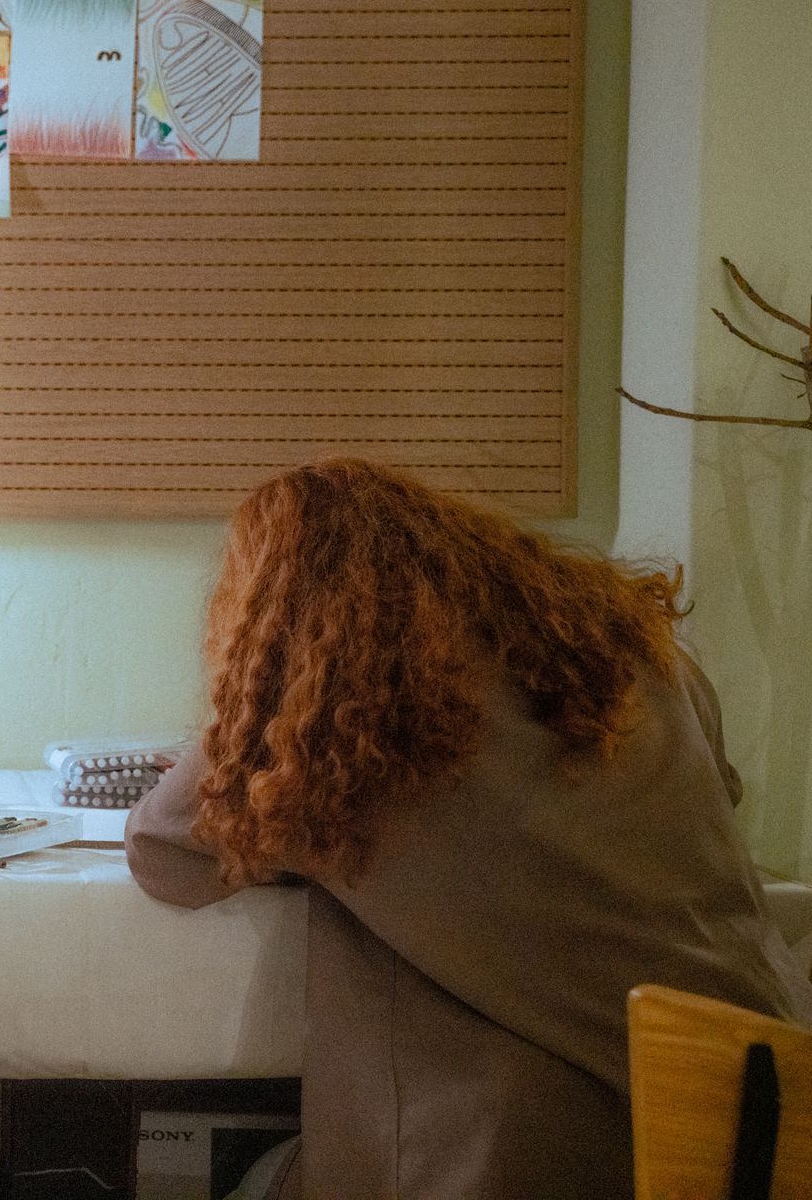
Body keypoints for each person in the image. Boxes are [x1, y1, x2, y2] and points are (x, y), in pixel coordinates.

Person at [126, 458, 812, 1200]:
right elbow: (723, 790)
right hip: (752, 1126)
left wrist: (280, 811)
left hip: (513, 1160)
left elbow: (162, 847)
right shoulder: (645, 659)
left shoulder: (344, 723)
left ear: (281, 614)